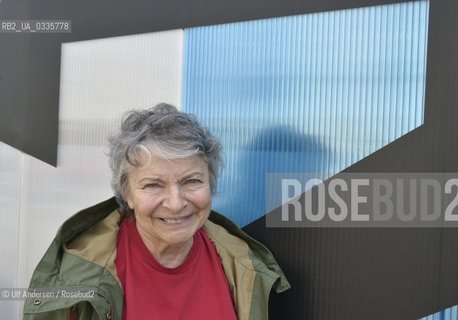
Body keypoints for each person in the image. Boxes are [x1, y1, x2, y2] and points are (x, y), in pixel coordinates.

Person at [23, 103, 290, 320]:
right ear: (127, 194)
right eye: (153, 185)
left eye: (192, 181)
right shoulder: (75, 273)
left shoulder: (244, 264)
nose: (175, 203)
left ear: (212, 184)